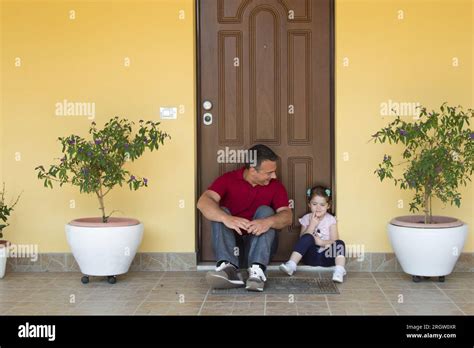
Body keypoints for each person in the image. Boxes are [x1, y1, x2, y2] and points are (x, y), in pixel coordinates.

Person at [197, 144, 292, 292]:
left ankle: (257, 272)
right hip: (233, 246)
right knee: (220, 211)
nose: (274, 176)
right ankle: (228, 270)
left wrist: (268, 222)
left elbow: (287, 216)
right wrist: (226, 218)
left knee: (266, 211)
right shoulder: (228, 179)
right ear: (253, 170)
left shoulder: (276, 186)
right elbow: (203, 202)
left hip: (261, 248)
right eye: (269, 172)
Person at [279, 186, 347, 283]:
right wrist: (312, 224)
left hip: (326, 257)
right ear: (309, 204)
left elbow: (334, 241)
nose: (318, 208)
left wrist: (321, 242)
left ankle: (339, 271)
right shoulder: (306, 218)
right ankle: (291, 265)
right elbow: (302, 239)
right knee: (307, 237)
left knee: (340, 243)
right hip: (310, 257)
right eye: (315, 204)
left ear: (328, 206)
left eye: (322, 205)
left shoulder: (330, 219)